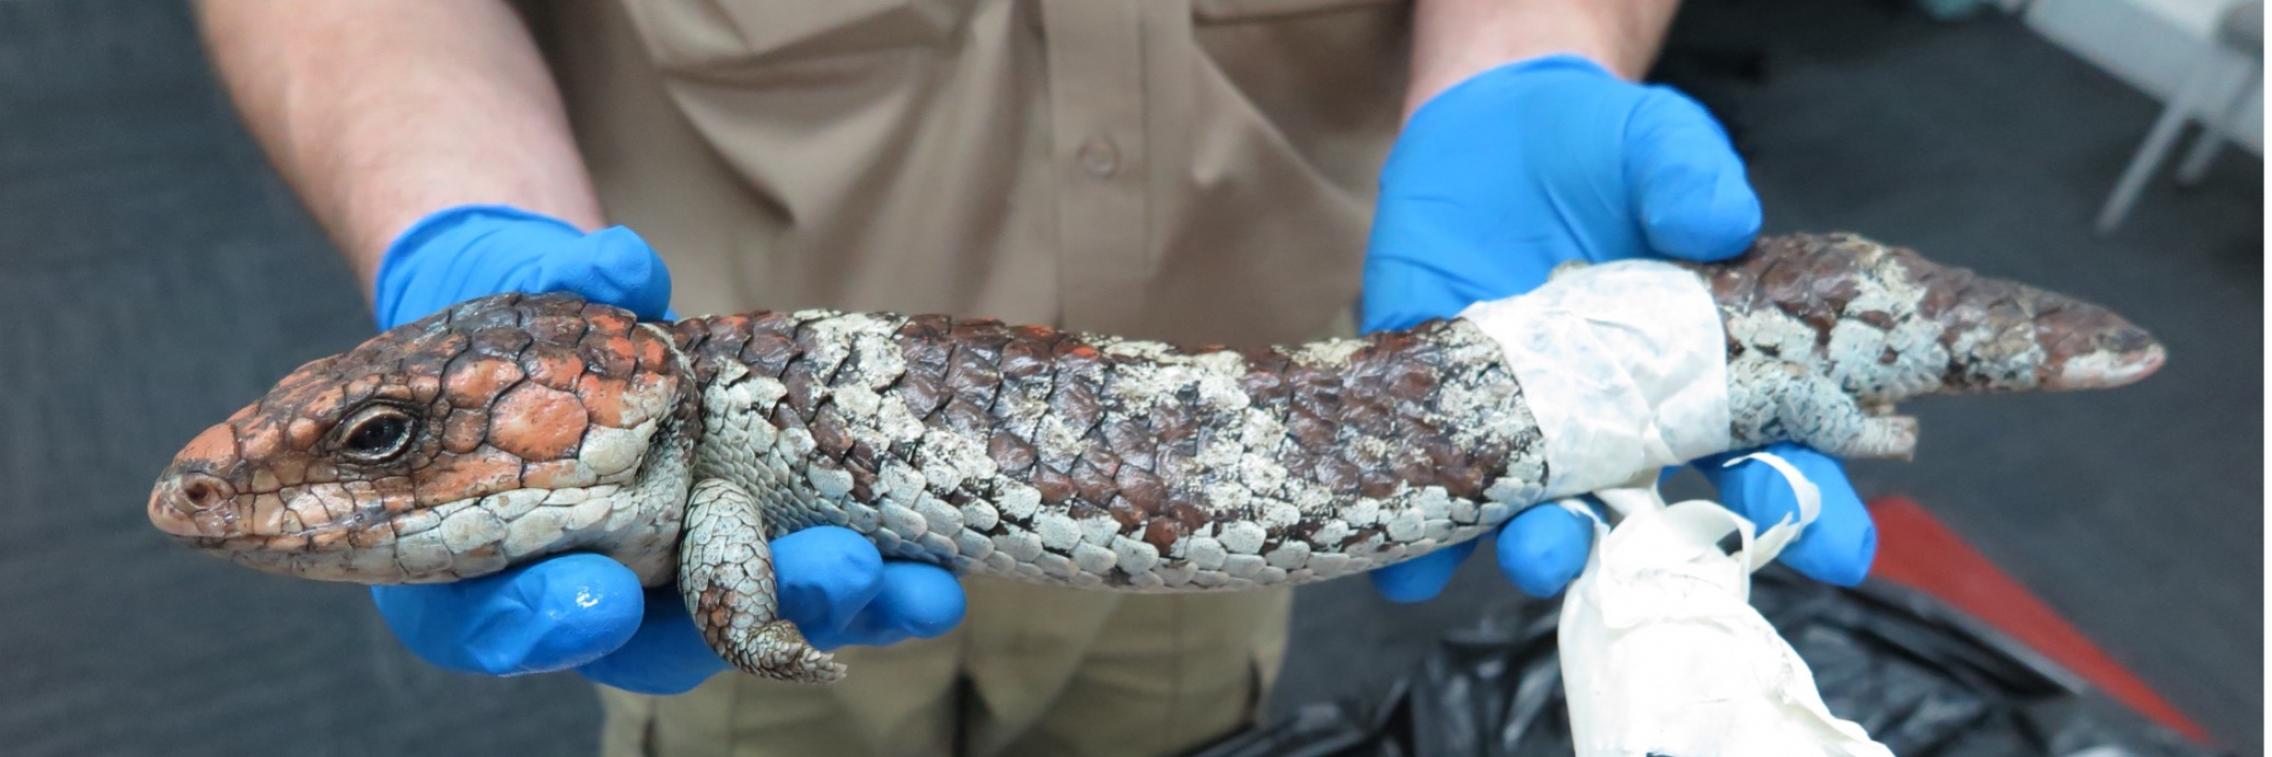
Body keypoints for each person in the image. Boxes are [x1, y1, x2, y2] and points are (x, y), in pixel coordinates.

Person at [195, 1, 1878, 754]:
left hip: (1242, 403)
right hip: (745, 469)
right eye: (378, 443)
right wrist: (452, 207)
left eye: (388, 442)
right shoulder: (685, 494)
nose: (319, 486)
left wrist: (1534, 46)